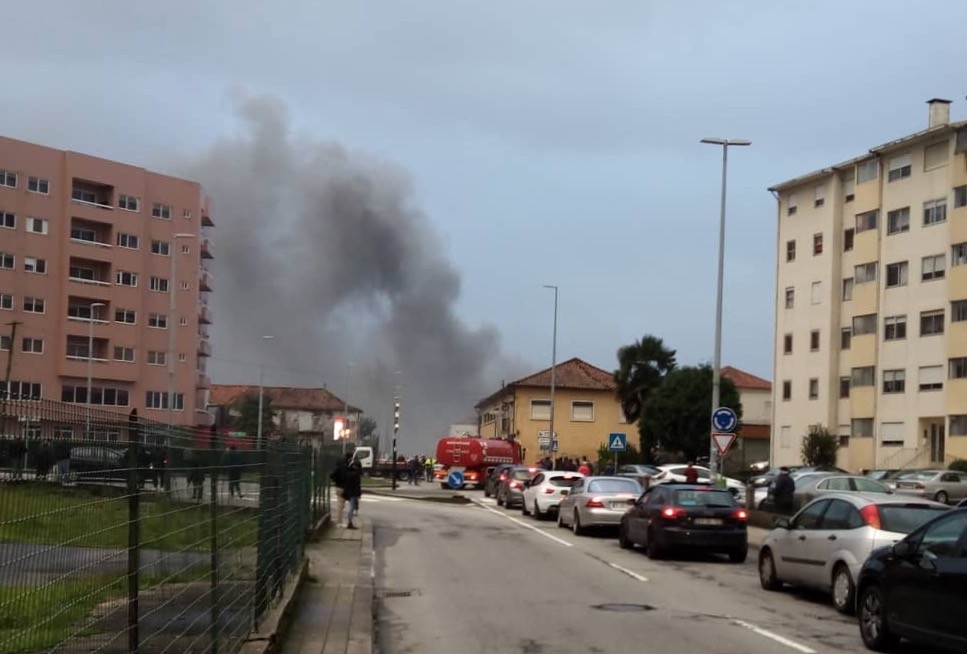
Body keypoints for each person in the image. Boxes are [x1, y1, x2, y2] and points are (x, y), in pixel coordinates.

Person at [330, 452, 352, 525]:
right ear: (349, 458)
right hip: (342, 487)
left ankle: (339, 520)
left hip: (338, 485)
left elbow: (333, 474)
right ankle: (339, 521)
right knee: (340, 505)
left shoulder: (340, 465)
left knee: (340, 504)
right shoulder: (346, 466)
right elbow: (346, 477)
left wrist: (335, 481)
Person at [343, 460, 363, 529]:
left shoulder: (348, 473)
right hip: (353, 493)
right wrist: (359, 494)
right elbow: (357, 486)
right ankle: (350, 523)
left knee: (352, 506)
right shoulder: (356, 475)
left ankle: (350, 521)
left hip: (348, 492)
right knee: (351, 508)